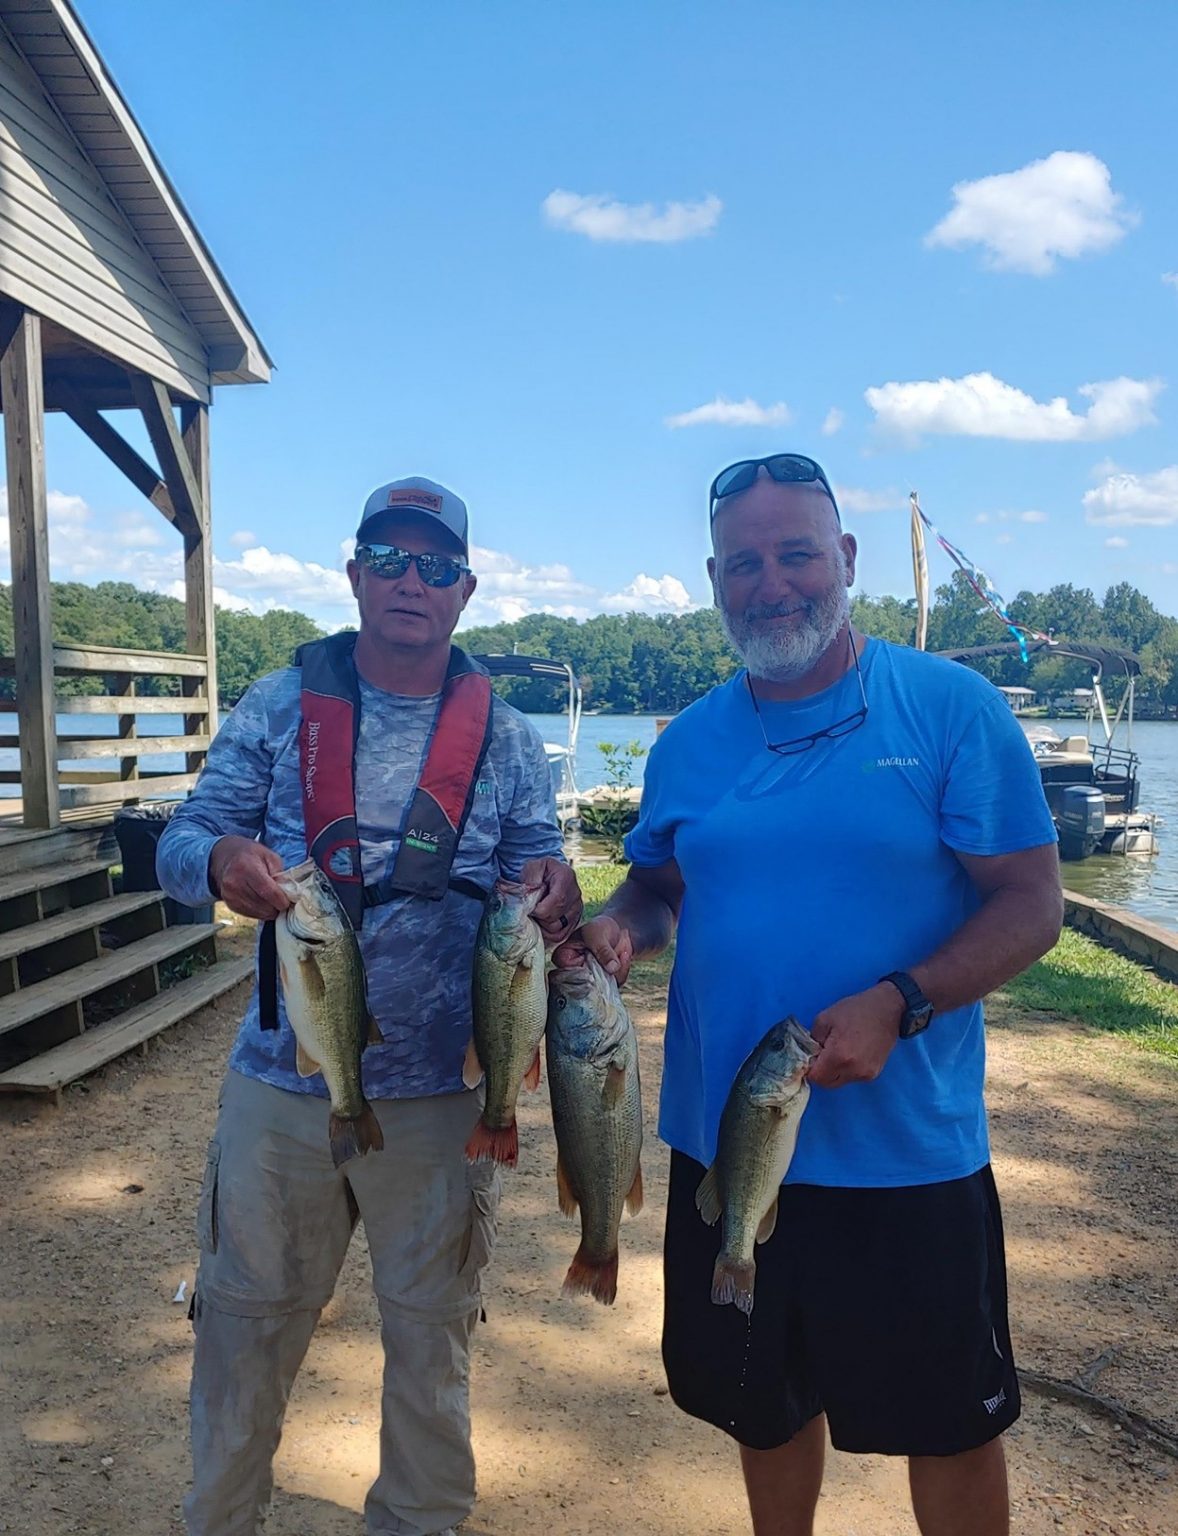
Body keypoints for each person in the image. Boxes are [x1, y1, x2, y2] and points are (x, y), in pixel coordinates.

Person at [565, 453, 1062, 1536]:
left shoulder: (946, 708)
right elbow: (657, 886)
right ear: (713, 577)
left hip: (905, 1151)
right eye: (743, 562)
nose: (771, 583)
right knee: (762, 1408)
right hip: (725, 1139)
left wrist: (903, 1000)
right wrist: (617, 928)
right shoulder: (688, 741)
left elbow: (1030, 901)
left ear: (842, 558)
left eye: (795, 552)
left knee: (948, 1423)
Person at [157, 476, 582, 1536]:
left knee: (431, 1342)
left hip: (447, 1096)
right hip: (281, 1082)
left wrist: (559, 892)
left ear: (465, 590)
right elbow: (179, 837)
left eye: (434, 566)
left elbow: (542, 876)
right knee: (243, 1329)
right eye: (387, 559)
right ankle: (219, 1517)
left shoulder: (511, 737)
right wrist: (215, 858)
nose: (410, 581)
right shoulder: (274, 702)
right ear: (352, 573)